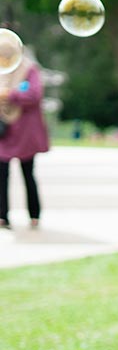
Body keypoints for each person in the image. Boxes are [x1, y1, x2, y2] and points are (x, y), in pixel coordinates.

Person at [0, 47, 50, 230]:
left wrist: (9, 94)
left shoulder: (29, 69)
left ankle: (34, 215)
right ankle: (2, 216)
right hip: (5, 131)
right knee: (1, 174)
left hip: (25, 132)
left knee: (28, 173)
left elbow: (35, 95)